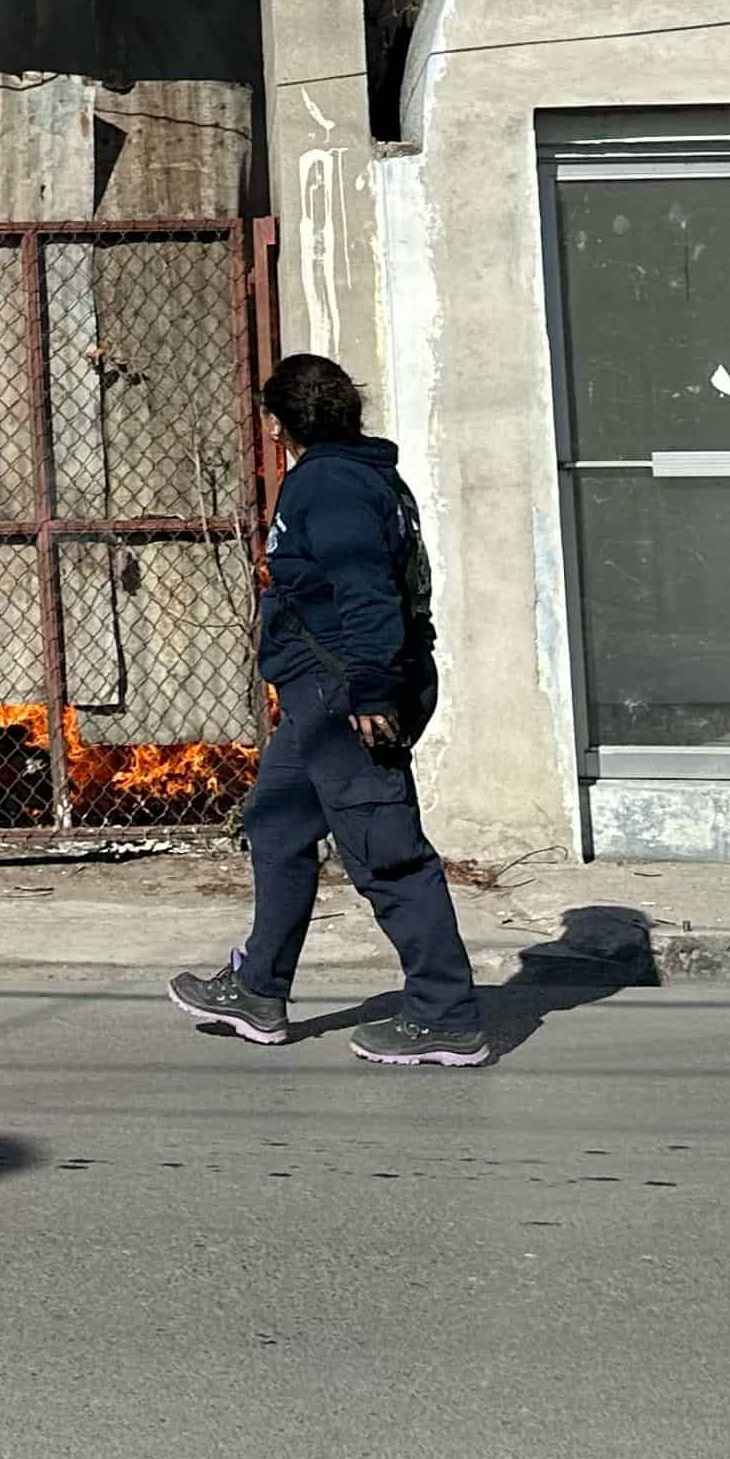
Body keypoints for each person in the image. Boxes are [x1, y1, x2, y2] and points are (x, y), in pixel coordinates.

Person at [171, 352, 492, 1066]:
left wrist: (371, 692)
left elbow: (365, 590)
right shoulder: (357, 475)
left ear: (280, 424)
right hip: (326, 693)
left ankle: (446, 1015)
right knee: (278, 822)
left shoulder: (331, 486)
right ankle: (258, 988)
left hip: (348, 692)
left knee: (387, 853)